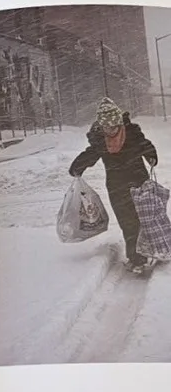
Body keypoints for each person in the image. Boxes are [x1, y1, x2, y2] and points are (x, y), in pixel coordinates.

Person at [70, 98, 158, 272]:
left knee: (143, 219)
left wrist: (151, 156)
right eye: (106, 126)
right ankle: (137, 259)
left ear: (119, 121)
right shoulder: (100, 140)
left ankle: (148, 252)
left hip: (139, 182)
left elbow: (145, 145)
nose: (111, 129)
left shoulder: (132, 132)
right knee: (127, 222)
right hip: (117, 187)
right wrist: (77, 168)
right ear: (101, 125)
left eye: (114, 125)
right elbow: (90, 155)